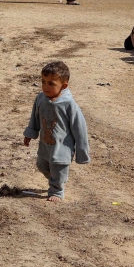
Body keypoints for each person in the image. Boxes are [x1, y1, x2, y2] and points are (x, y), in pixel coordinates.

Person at [23, 61, 89, 202]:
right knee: (41, 166)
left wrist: (82, 152)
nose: (45, 86)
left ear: (63, 86)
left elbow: (80, 129)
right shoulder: (40, 99)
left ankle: (57, 191)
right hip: (45, 145)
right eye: (43, 81)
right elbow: (35, 117)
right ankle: (54, 180)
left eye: (51, 83)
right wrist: (30, 133)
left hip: (62, 148)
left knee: (58, 170)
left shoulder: (69, 104)